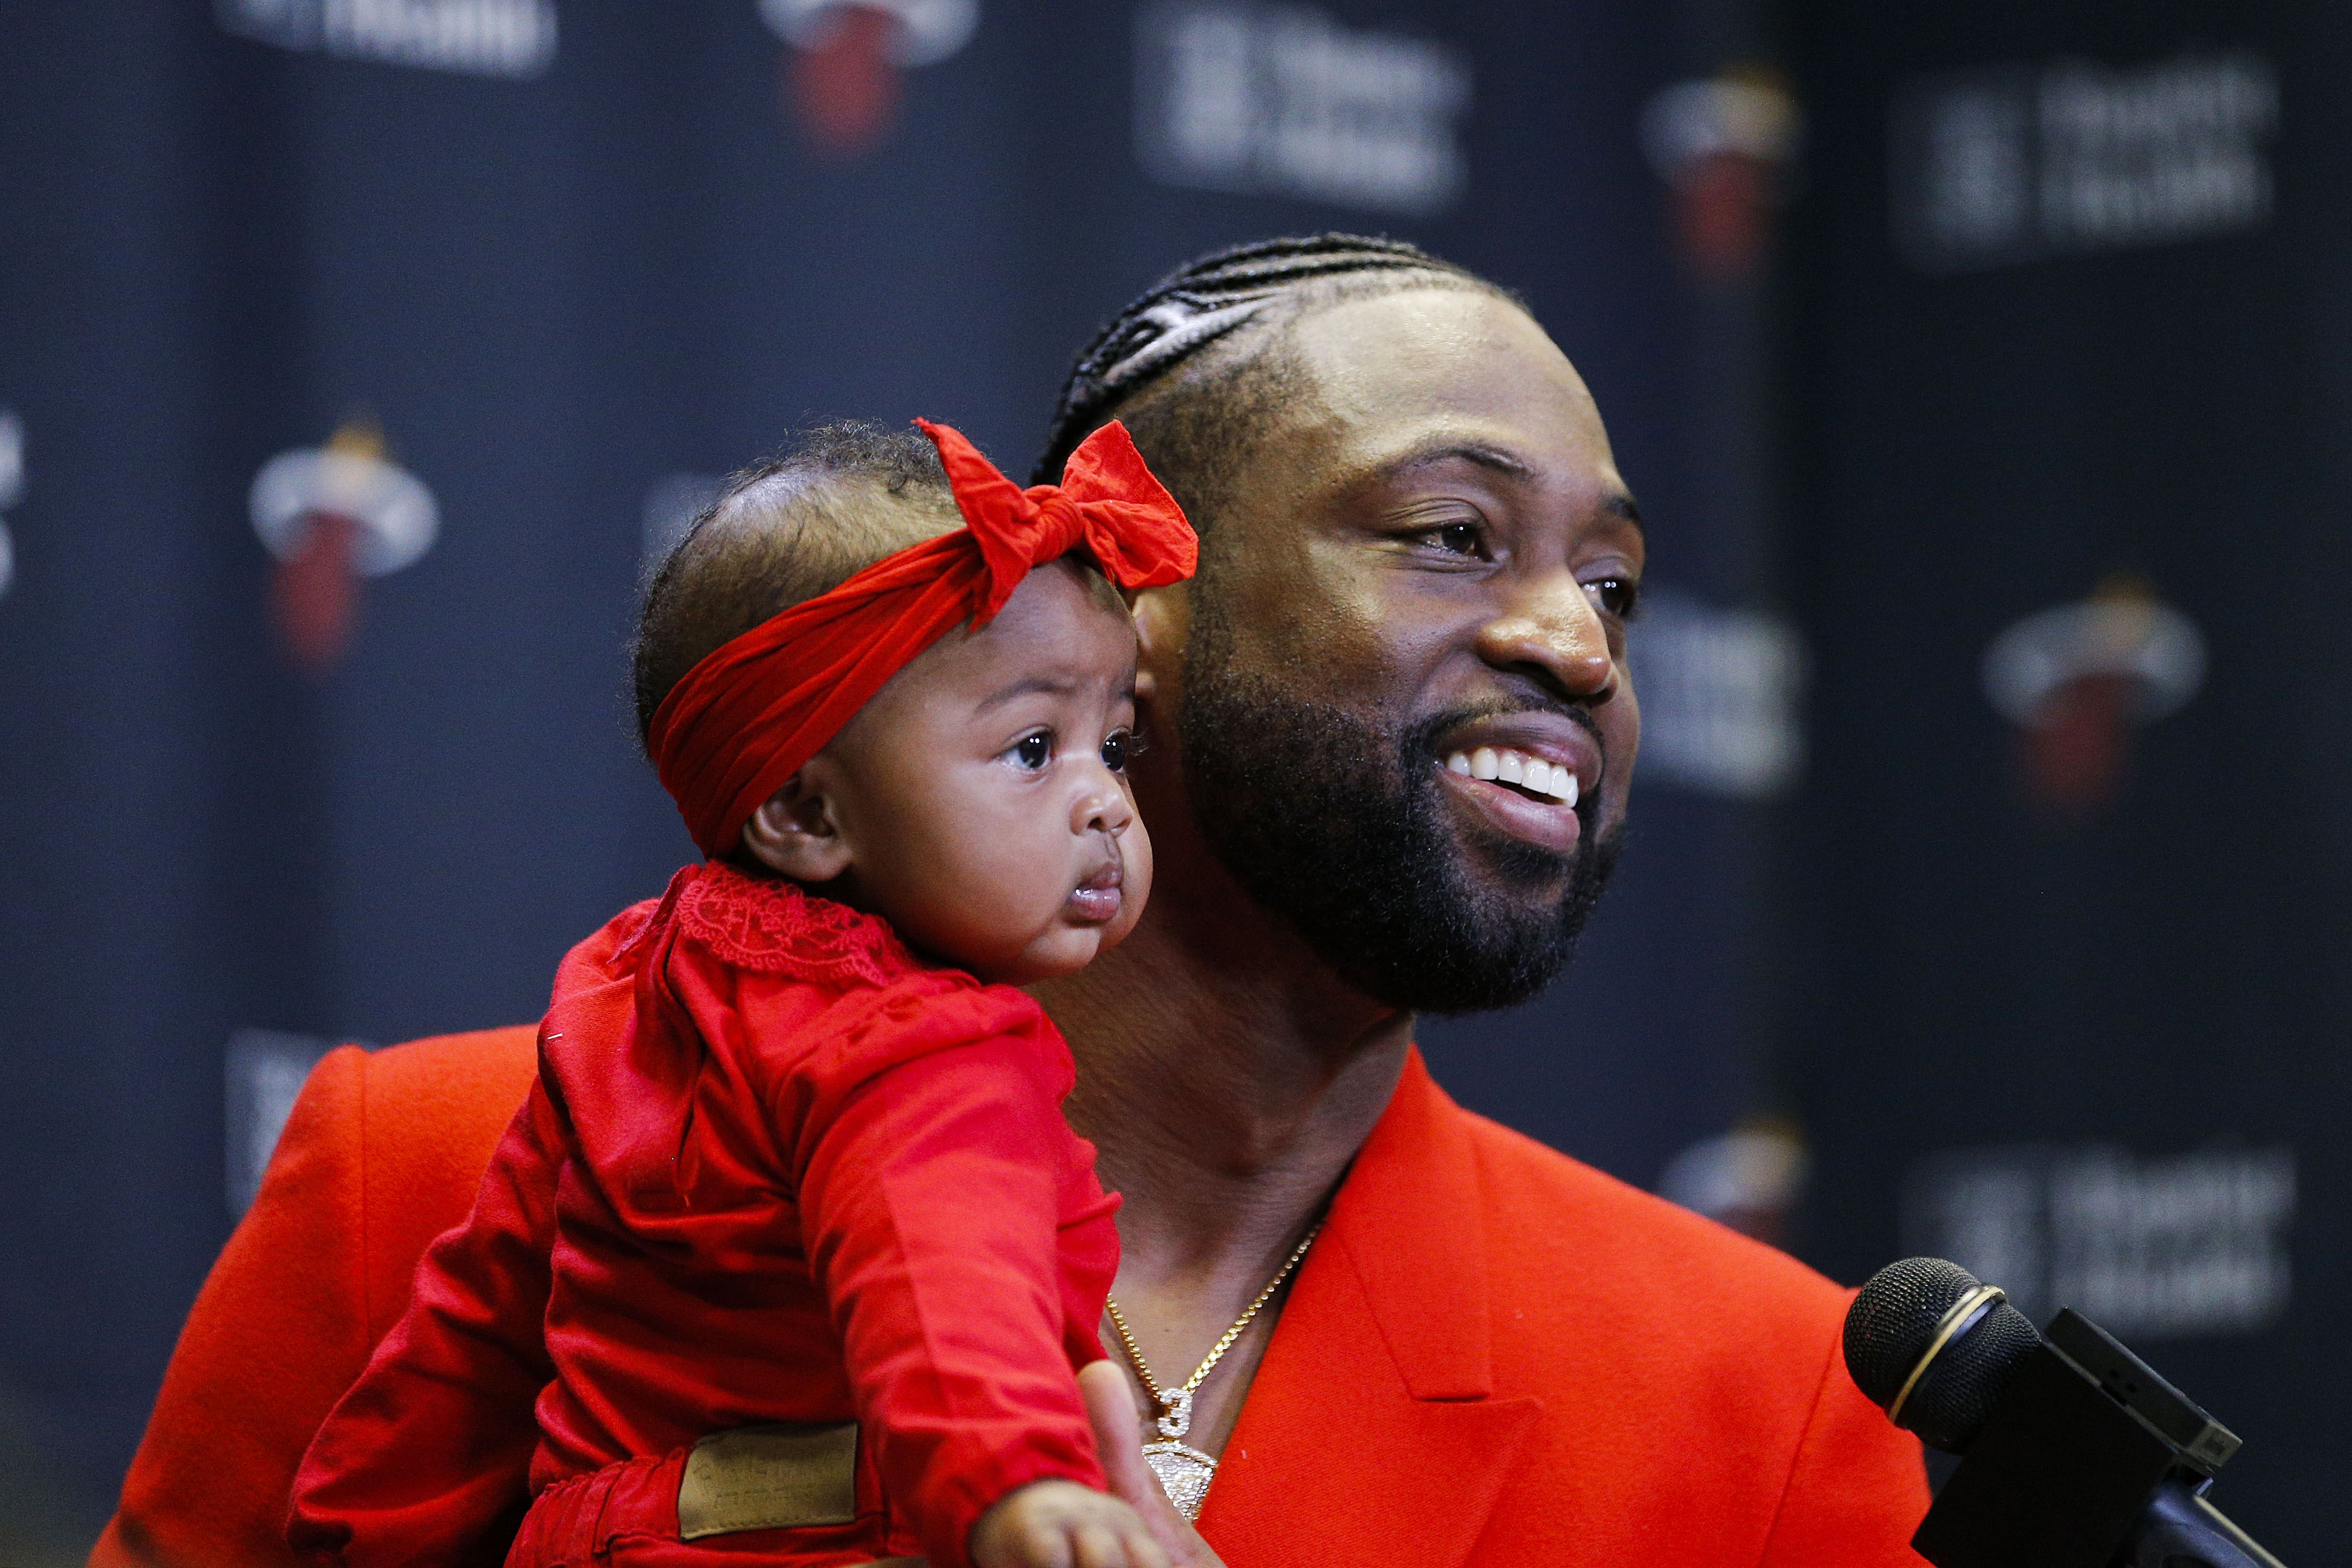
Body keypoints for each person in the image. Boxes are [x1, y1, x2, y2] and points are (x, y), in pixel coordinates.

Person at [94, 235, 1931, 1568]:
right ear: (1126, 615)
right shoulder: (428, 1167)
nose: (1570, 644)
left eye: (1608, 584)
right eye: (1450, 535)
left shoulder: (1769, 1401)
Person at [288, 418, 1207, 1568]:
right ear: (807, 814)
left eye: (1114, 746)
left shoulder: (639, 986)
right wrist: (1014, 1482)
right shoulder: (917, 1043)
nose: (1106, 804)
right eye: (1032, 747)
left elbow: (478, 1320)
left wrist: (358, 1526)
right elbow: (941, 1279)